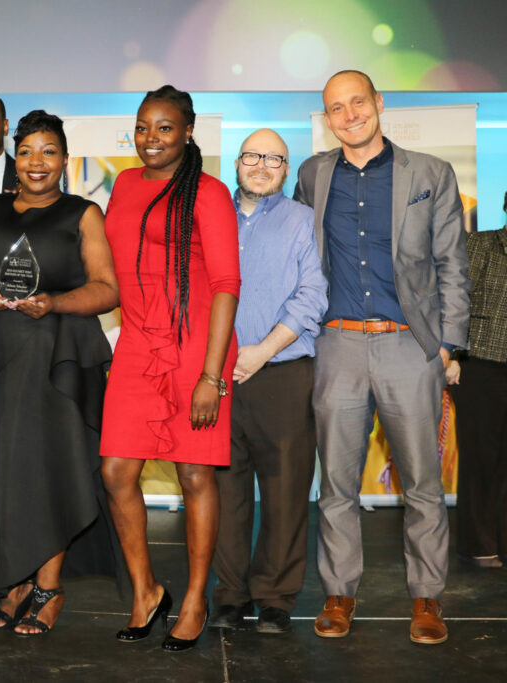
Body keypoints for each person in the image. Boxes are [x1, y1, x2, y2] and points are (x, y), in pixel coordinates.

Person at [293, 70, 469, 645]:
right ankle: (339, 593)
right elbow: (301, 261)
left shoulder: (431, 173)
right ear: (327, 118)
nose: (349, 115)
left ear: (378, 104)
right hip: (336, 345)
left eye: (357, 103)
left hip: (408, 346)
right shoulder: (313, 174)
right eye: (336, 108)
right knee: (337, 485)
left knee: (422, 483)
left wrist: (446, 345)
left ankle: (426, 599)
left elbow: (452, 265)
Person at [0, 110, 121, 636]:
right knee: (4, 473)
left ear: (65, 160)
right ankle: (15, 580)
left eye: (49, 151)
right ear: (14, 156)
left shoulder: (83, 213)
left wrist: (52, 301)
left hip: (57, 360)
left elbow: (106, 289)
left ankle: (49, 587)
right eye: (27, 151)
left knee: (52, 471)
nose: (36, 162)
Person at [100, 85, 240, 652]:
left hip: (195, 348)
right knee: (115, 471)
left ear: (187, 131)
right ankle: (146, 590)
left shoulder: (208, 192)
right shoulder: (126, 185)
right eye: (142, 127)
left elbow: (228, 285)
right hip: (138, 343)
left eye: (164, 127)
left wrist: (212, 376)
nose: (151, 139)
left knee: (195, 475)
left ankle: (195, 599)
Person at [208, 129, 327, 634]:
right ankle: (230, 595)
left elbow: (313, 294)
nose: (261, 165)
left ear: (286, 168)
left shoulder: (304, 221)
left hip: (282, 372)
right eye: (253, 156)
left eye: (274, 158)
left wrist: (260, 352)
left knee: (284, 491)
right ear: (236, 163)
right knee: (225, 491)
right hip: (216, 376)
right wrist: (219, 359)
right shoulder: (209, 215)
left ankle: (275, 598)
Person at [446, 190, 507, 568]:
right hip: (481, 364)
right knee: (482, 458)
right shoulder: (481, 244)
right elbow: (454, 302)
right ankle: (479, 543)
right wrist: (450, 355)